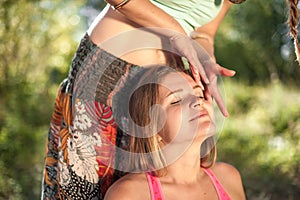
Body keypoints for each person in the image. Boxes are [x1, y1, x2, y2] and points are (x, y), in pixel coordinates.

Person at [41, 0, 247, 199]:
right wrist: (174, 31)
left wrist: (204, 55)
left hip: (163, 83)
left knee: (156, 184)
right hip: (109, 75)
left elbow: (204, 33)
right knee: (85, 190)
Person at [105, 65, 246, 200]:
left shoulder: (228, 177)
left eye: (199, 94)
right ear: (150, 129)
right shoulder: (129, 194)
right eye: (176, 100)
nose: (198, 101)